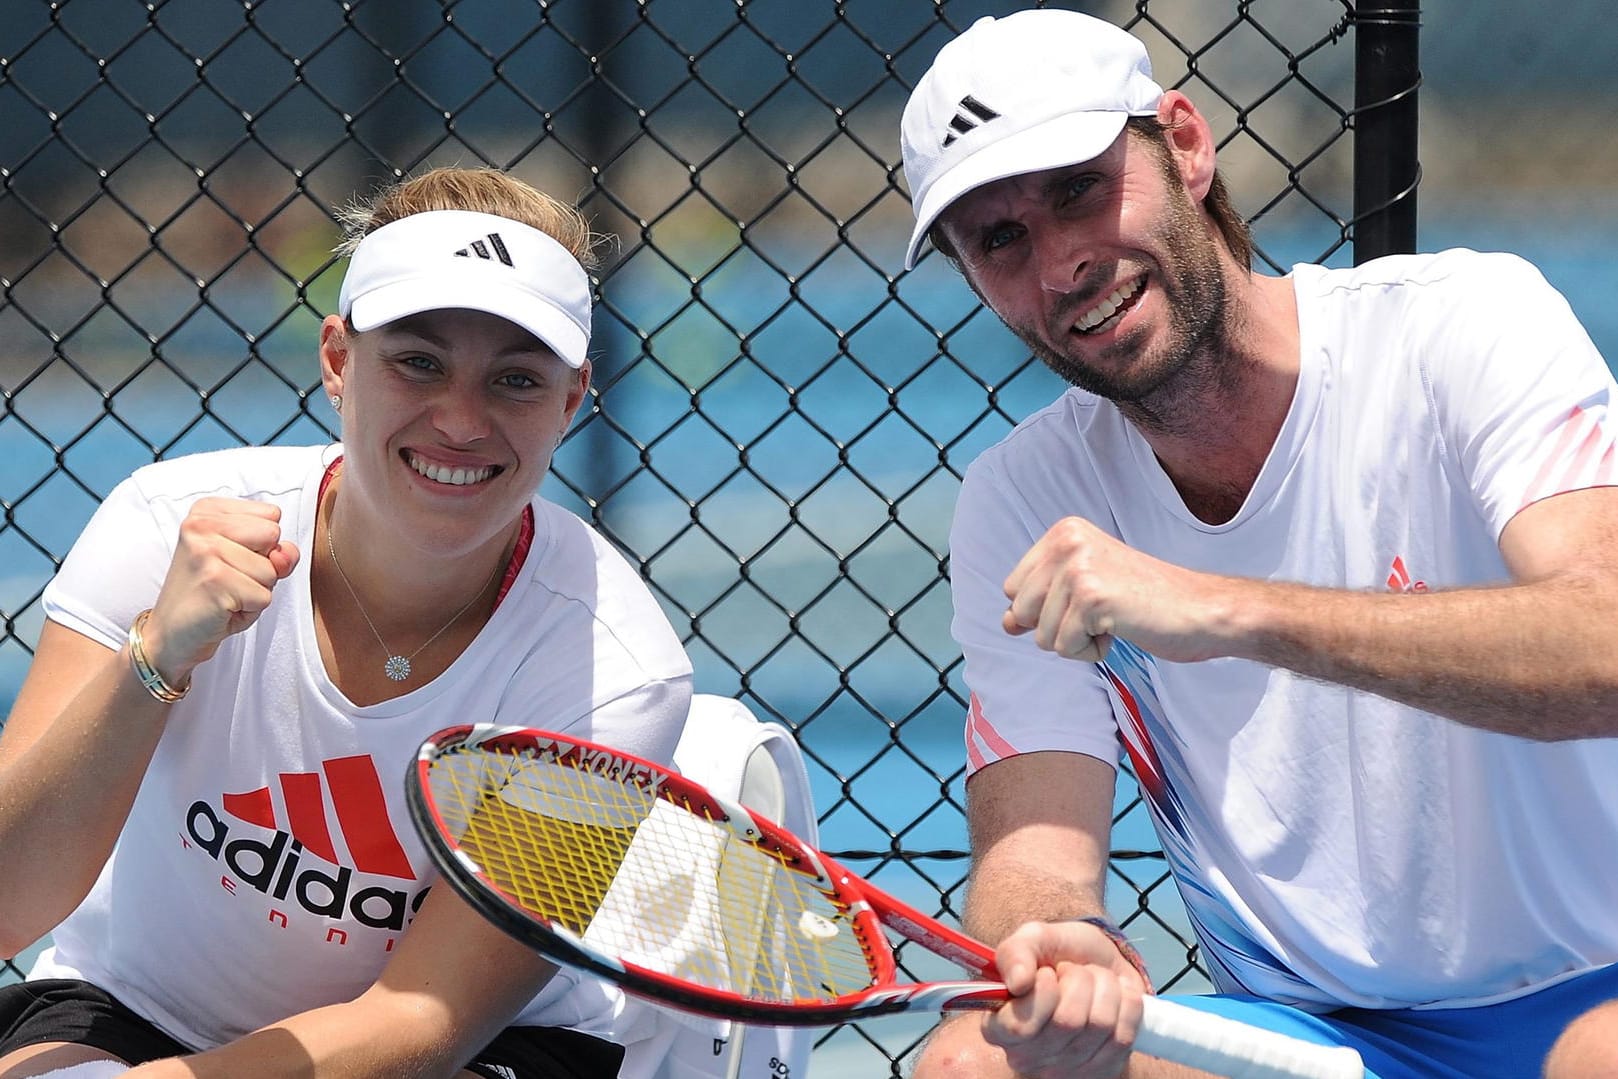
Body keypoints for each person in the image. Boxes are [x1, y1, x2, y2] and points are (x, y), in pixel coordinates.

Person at [895, 10, 1618, 1079]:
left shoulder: (1464, 324)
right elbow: (1035, 854)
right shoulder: (1020, 496)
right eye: (1000, 241)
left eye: (1079, 190)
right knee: (975, 1066)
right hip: (1311, 1039)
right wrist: (1058, 938)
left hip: (1593, 989)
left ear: (1184, 144)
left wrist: (1229, 607)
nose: (1061, 265)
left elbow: (1602, 646)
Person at [0, 167, 695, 1078]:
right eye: (419, 362)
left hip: (474, 1053)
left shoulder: (616, 671)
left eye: (516, 381)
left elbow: (420, 1021)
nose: (460, 419)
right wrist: (154, 658)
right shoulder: (163, 525)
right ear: (336, 360)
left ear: (570, 401)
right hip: (135, 1009)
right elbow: (13, 900)